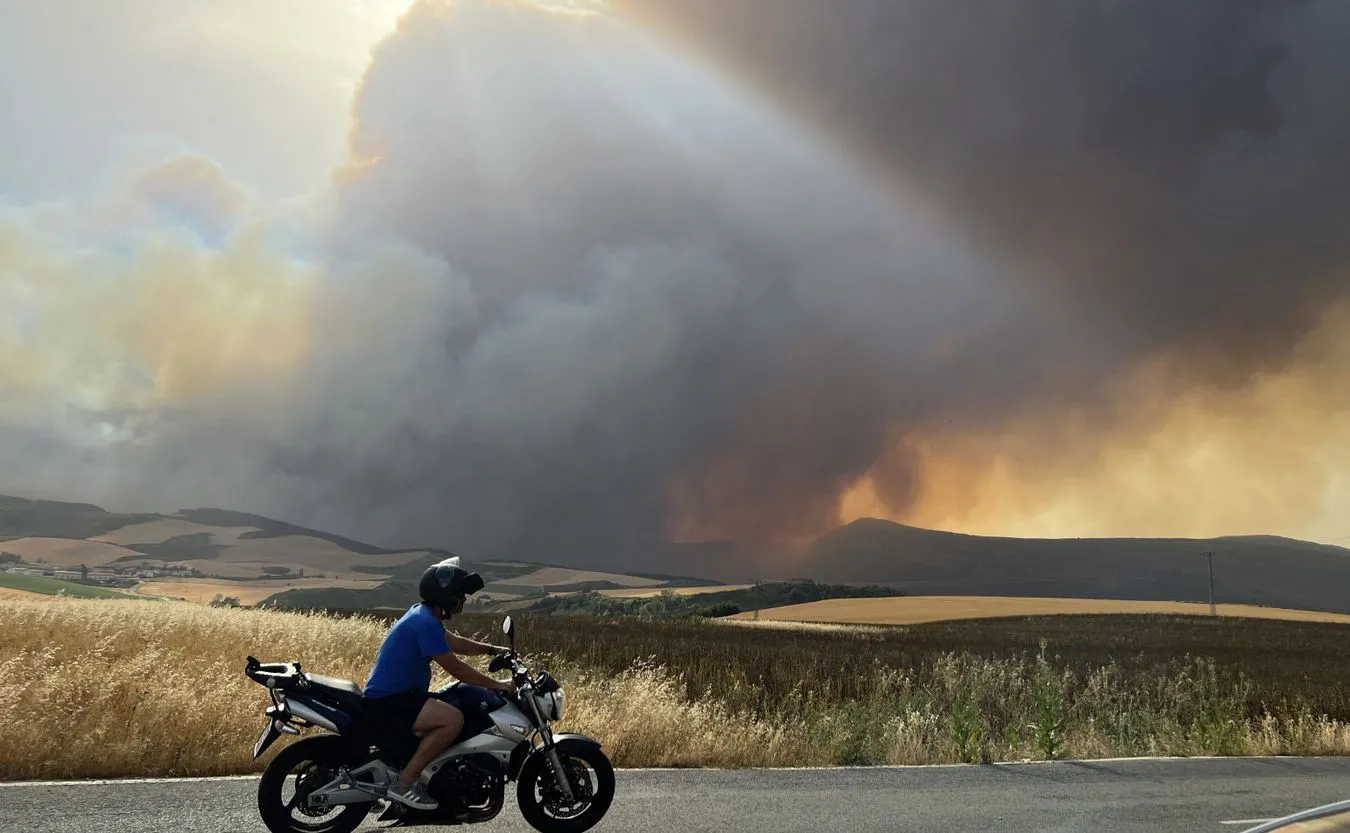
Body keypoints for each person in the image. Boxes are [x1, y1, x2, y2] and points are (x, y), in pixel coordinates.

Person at [361, 556, 515, 811]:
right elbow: (457, 669)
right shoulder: (424, 623)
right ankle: (404, 784)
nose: (464, 600)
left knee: (451, 706)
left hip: (398, 696)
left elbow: (455, 642)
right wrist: (498, 684)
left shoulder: (423, 616)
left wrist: (492, 650)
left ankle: (418, 773)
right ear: (445, 596)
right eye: (460, 595)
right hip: (391, 702)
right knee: (452, 719)